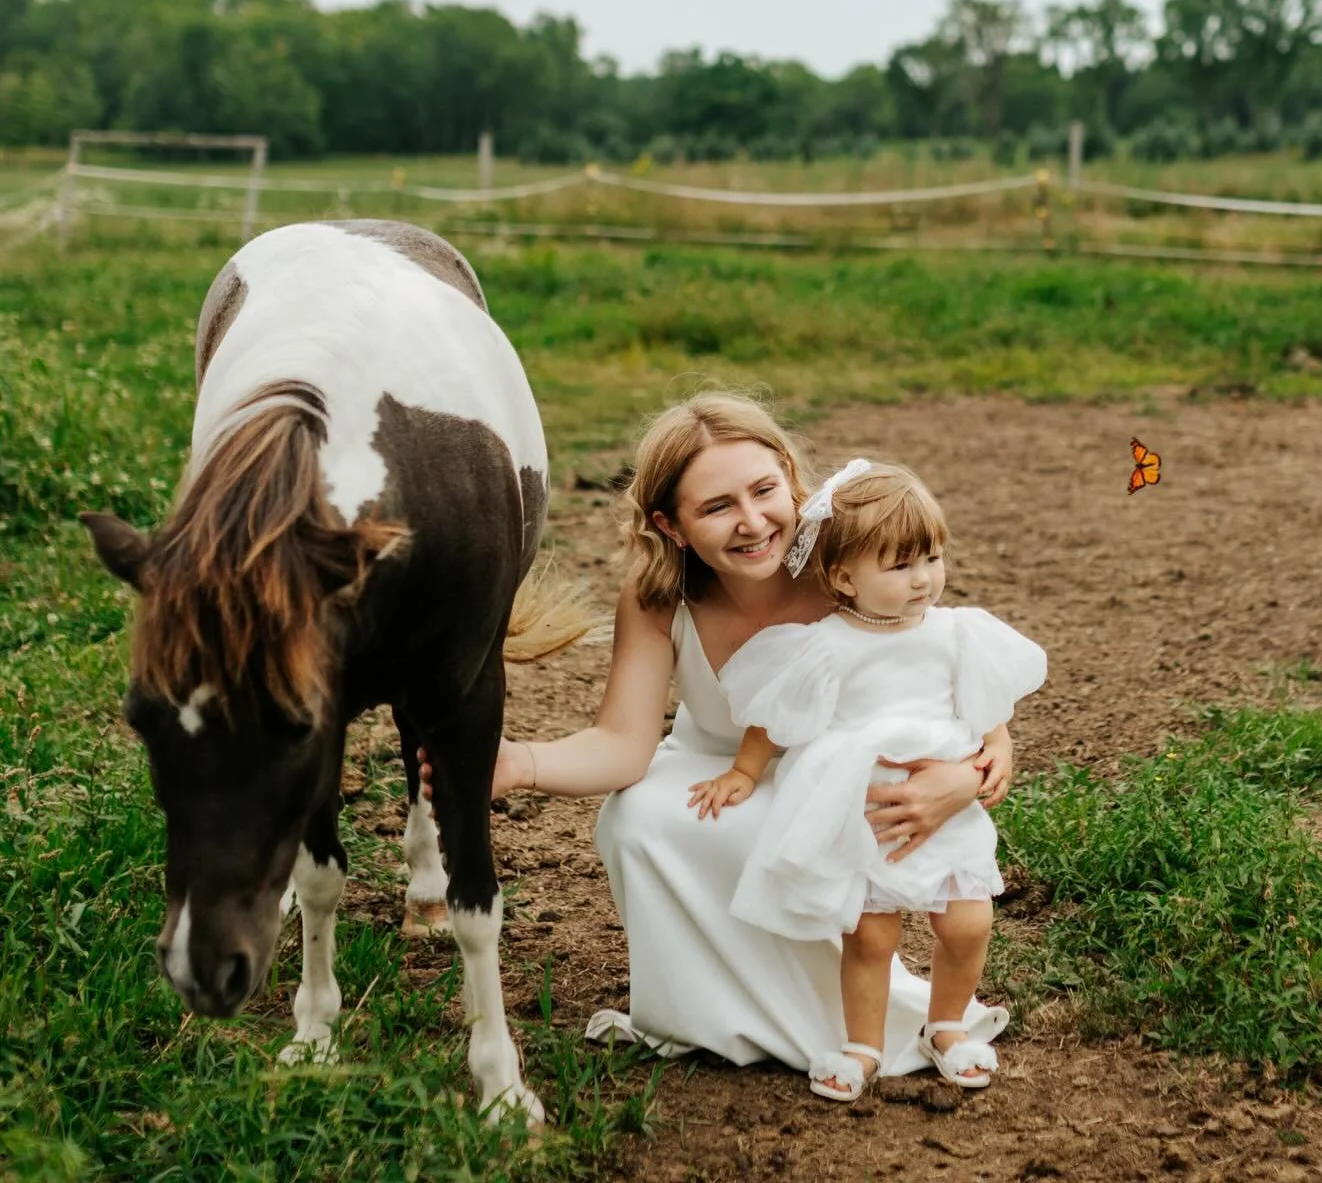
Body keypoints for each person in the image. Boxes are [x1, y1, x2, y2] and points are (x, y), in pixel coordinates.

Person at [437, 393, 1015, 1075]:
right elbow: (624, 744)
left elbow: (944, 673)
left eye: (765, 490)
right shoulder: (660, 593)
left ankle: (849, 1019)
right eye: (716, 507)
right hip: (714, 764)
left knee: (806, 828)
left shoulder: (842, 565)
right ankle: (708, 1014)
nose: (752, 522)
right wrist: (516, 762)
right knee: (638, 819)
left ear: (790, 476)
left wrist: (967, 775)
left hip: (841, 775)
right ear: (671, 524)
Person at [689, 460, 1046, 1100]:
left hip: (948, 805)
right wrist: (745, 772)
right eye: (901, 565)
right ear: (844, 577)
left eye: (932, 559)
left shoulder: (956, 632)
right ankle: (864, 1045)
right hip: (867, 809)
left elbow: (984, 700)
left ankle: (947, 1026)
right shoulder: (827, 644)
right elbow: (777, 718)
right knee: (871, 936)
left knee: (967, 922)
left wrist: (994, 742)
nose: (923, 580)